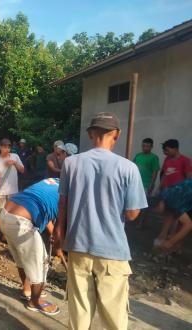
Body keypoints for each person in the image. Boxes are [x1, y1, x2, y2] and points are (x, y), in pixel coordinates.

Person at [54, 112, 147, 330]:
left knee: (80, 312)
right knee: (114, 316)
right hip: (112, 251)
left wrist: (58, 236)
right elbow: (133, 214)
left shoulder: (71, 163)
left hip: (78, 245)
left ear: (90, 134)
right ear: (117, 134)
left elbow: (62, 205)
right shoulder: (128, 168)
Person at [0, 178, 61, 316]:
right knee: (41, 262)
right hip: (21, 222)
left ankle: (27, 291)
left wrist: (53, 234)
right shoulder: (68, 193)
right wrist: (58, 246)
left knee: (22, 258)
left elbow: (47, 213)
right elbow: (60, 226)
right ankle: (35, 301)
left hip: (5, 215)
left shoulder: (53, 181)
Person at [0, 138, 24, 241]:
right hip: (1, 192)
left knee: (10, 215)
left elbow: (22, 170)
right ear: (0, 147)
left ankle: (5, 235)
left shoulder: (15, 157)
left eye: (9, 147)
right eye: (5, 147)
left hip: (13, 192)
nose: (7, 149)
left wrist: (14, 163)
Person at [133, 138, 160, 228]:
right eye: (143, 146)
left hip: (146, 184)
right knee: (134, 202)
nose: (145, 148)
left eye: (147, 146)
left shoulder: (154, 157)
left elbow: (155, 172)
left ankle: (141, 223)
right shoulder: (138, 156)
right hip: (135, 184)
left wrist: (151, 185)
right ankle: (135, 219)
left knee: (144, 205)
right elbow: (133, 168)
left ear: (151, 147)